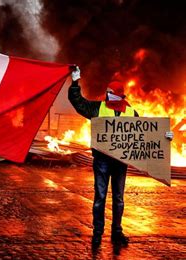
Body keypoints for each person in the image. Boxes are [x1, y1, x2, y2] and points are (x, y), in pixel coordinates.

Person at [68, 67, 174, 248]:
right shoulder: (98, 108)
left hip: (120, 162)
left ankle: (117, 231)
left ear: (119, 95)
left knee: (118, 198)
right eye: (107, 92)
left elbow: (144, 134)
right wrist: (75, 83)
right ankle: (97, 233)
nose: (108, 95)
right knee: (100, 197)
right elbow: (78, 102)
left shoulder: (131, 113)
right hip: (102, 161)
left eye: (111, 93)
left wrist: (164, 137)